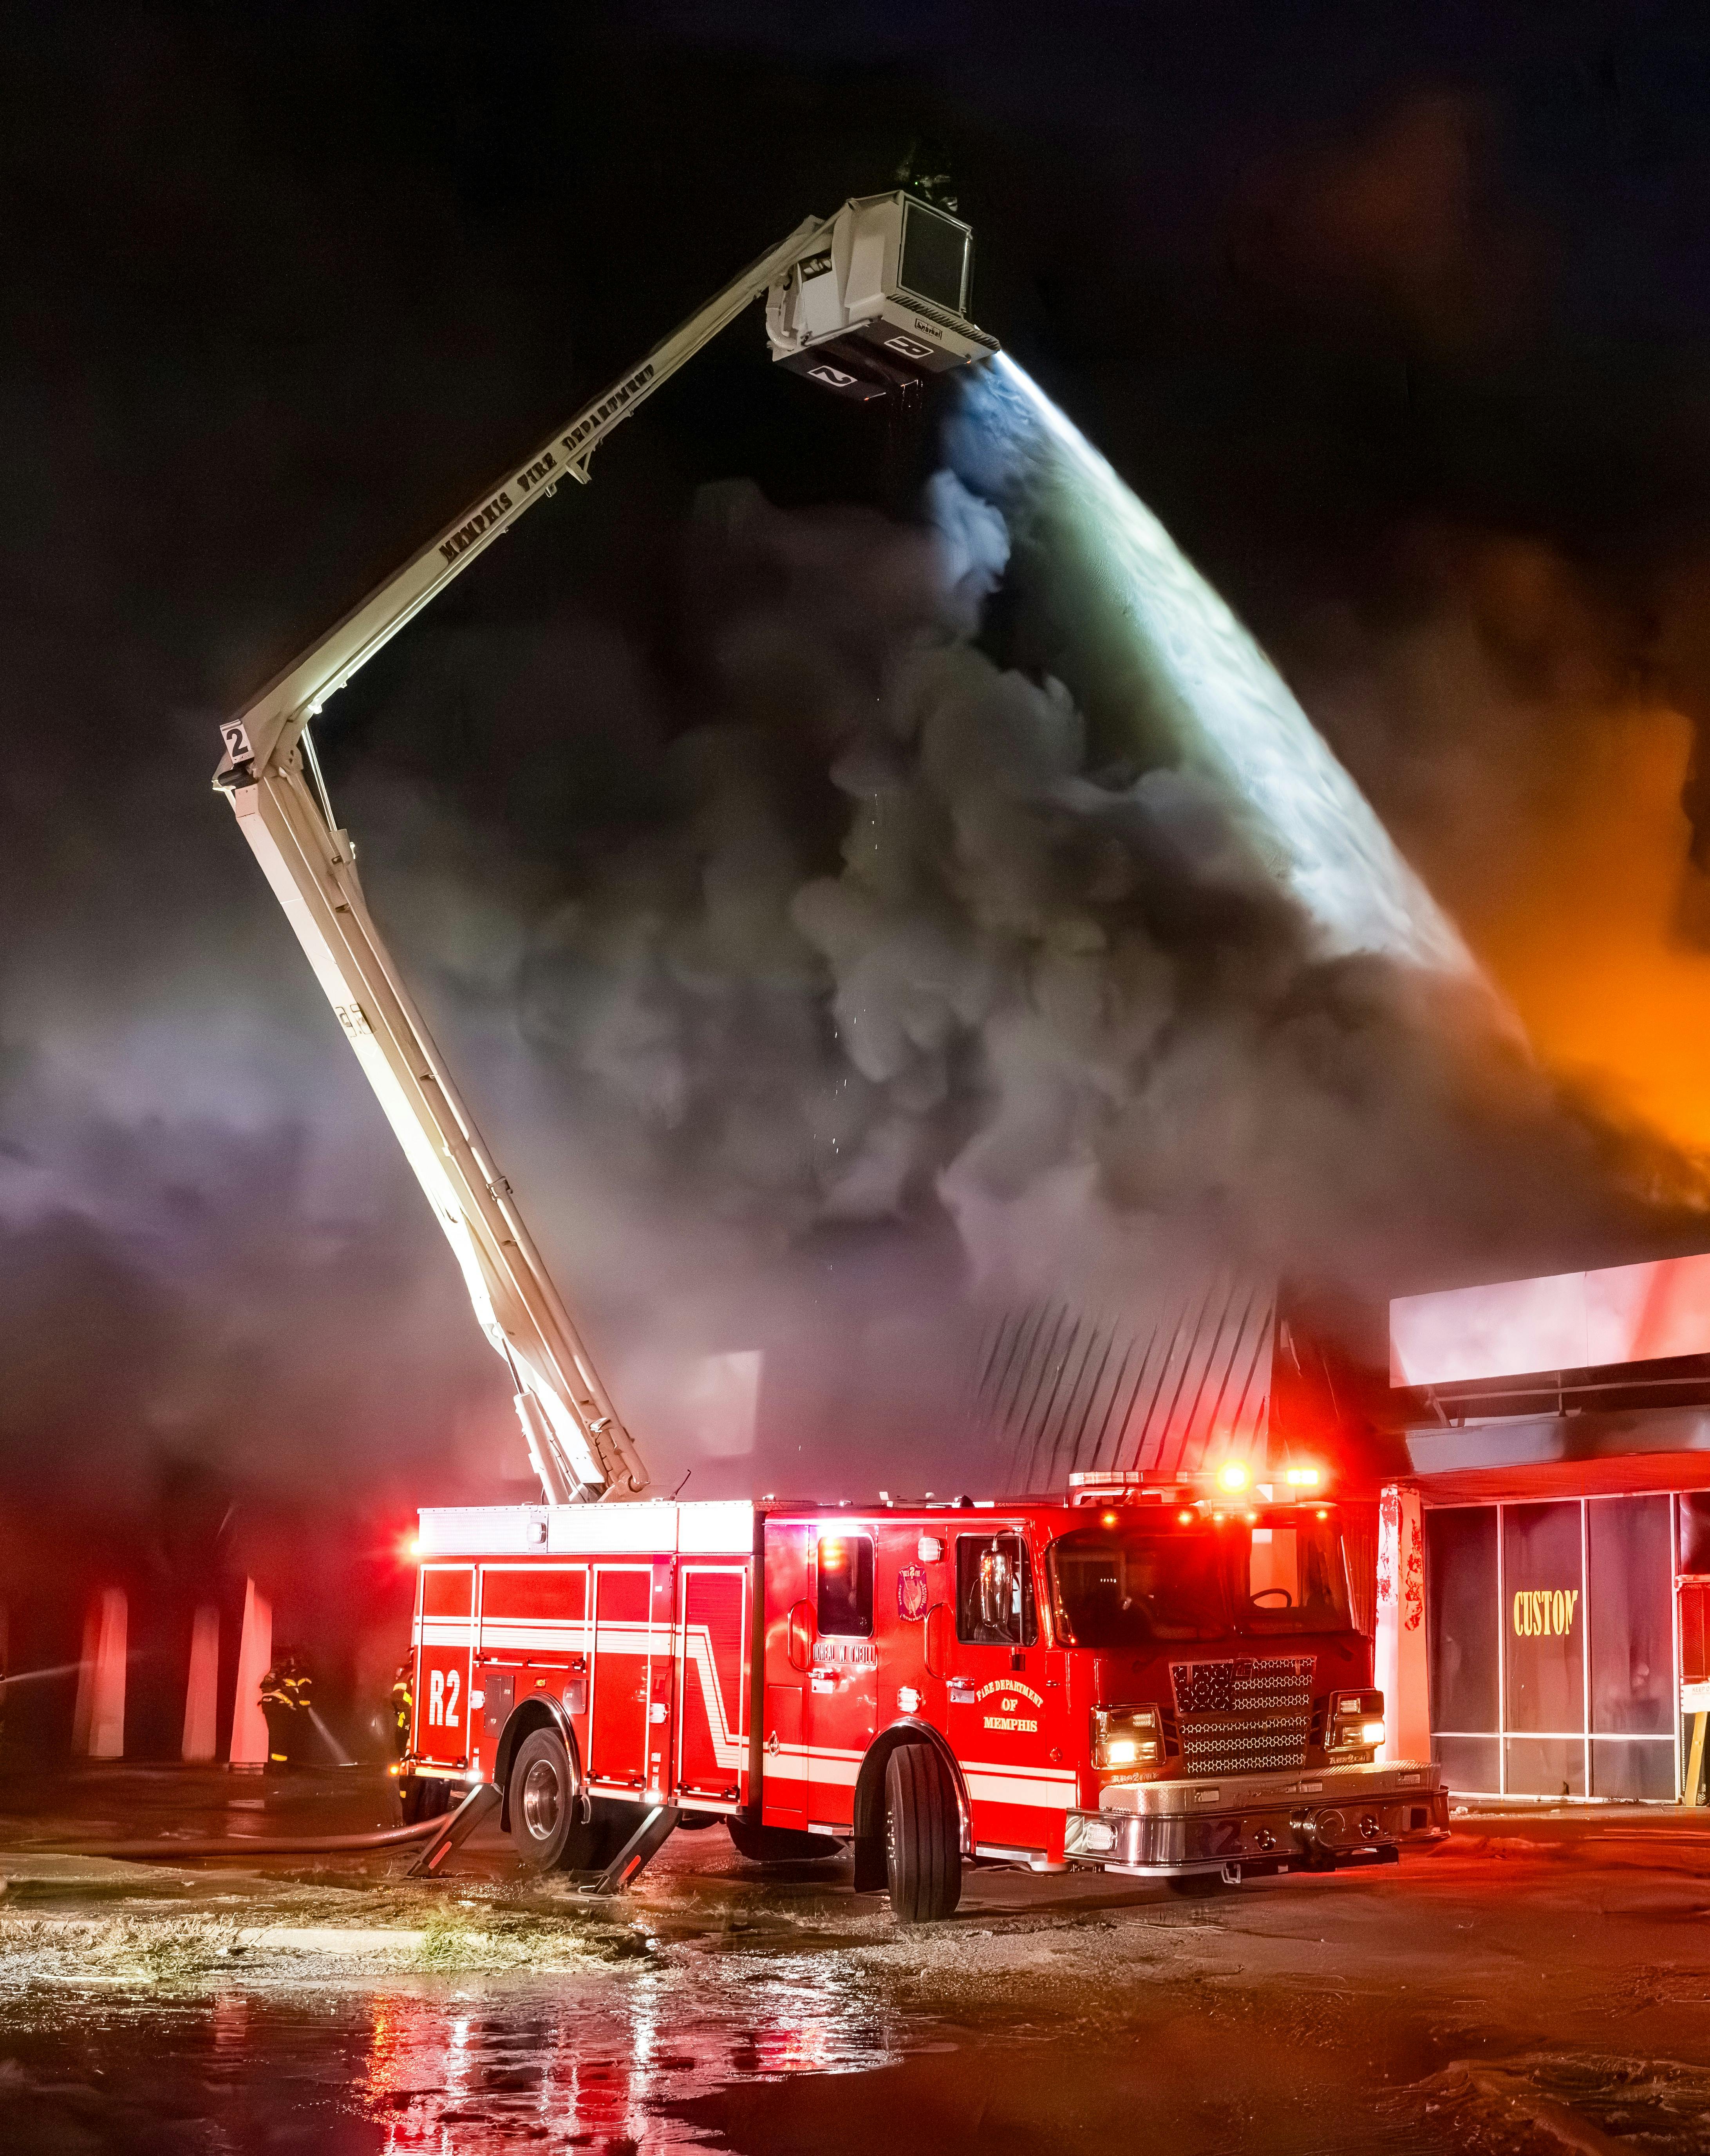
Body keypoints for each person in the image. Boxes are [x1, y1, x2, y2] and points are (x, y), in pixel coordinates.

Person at [259, 1649, 312, 1767]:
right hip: (280, 1708)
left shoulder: (275, 1672)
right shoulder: (292, 1675)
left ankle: (275, 1767)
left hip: (271, 1706)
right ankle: (279, 1769)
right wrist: (302, 1708)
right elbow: (300, 1695)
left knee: (277, 1737)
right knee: (281, 1738)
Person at [389, 1653, 414, 1760]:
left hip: (399, 1703)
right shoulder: (415, 1671)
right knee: (405, 1727)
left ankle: (402, 1755)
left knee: (402, 1726)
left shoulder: (406, 1669)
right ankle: (403, 1754)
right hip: (405, 1702)